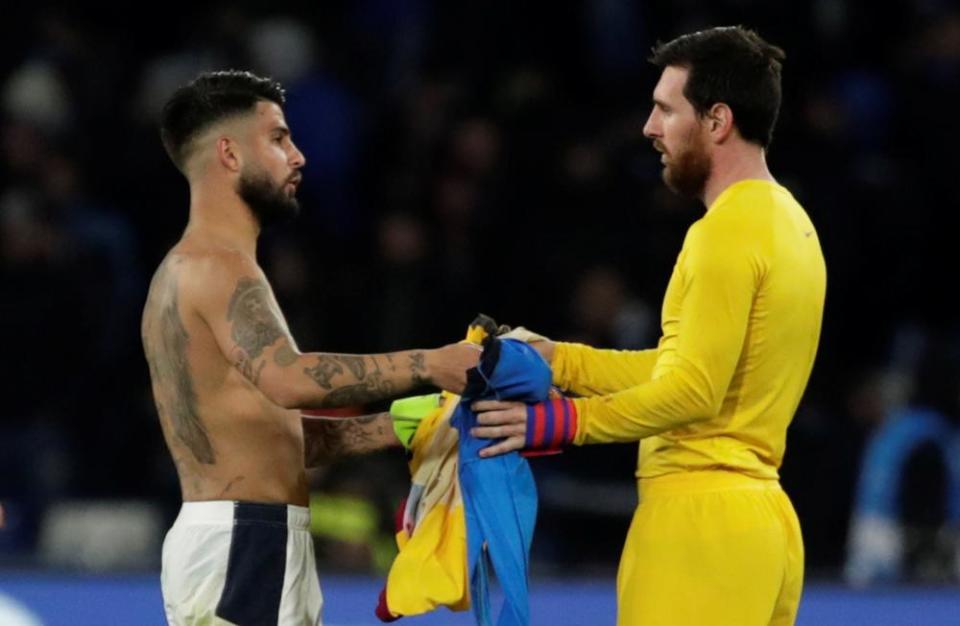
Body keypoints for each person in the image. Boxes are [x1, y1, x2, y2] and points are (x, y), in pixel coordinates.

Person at [472, 27, 826, 626]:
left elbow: (690, 392)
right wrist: (562, 360)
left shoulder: (723, 231)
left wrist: (557, 421)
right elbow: (684, 367)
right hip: (762, 527)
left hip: (698, 526)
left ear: (717, 121)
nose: (649, 128)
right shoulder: (791, 222)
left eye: (665, 109)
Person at [142, 70, 478, 626]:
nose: (297, 156)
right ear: (228, 153)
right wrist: (431, 364)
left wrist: (400, 424)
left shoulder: (192, 266)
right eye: (278, 138)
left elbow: (275, 440)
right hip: (247, 542)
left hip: (239, 536)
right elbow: (289, 379)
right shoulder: (217, 265)